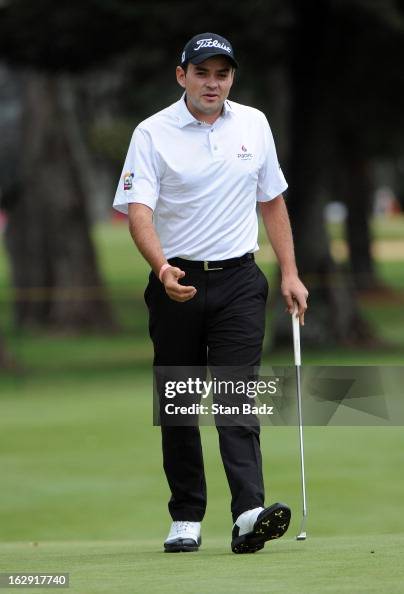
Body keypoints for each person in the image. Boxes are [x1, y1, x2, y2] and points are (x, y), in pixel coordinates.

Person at [113, 32, 308, 554]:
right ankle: (186, 516)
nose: (213, 82)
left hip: (241, 281)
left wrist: (289, 272)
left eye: (222, 73)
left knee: (236, 396)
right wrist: (161, 269)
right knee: (177, 402)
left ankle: (248, 514)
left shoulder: (254, 123)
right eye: (203, 73)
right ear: (182, 76)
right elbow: (139, 211)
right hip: (176, 280)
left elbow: (272, 201)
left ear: (231, 78)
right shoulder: (152, 133)